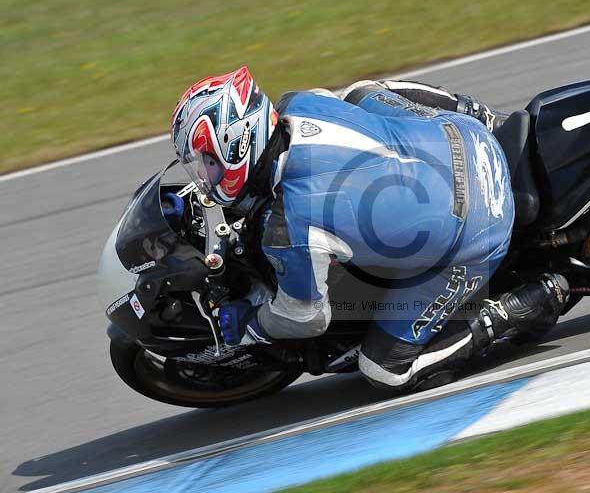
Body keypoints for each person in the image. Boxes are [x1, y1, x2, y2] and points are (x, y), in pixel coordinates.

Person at [170, 66, 569, 392]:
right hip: (468, 135)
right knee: (361, 92)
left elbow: (306, 318)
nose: (203, 174)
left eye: (207, 161)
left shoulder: (291, 223)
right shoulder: (299, 103)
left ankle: (506, 313)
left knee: (385, 368)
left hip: (481, 227)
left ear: (236, 146)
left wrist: (251, 324)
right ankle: (476, 112)